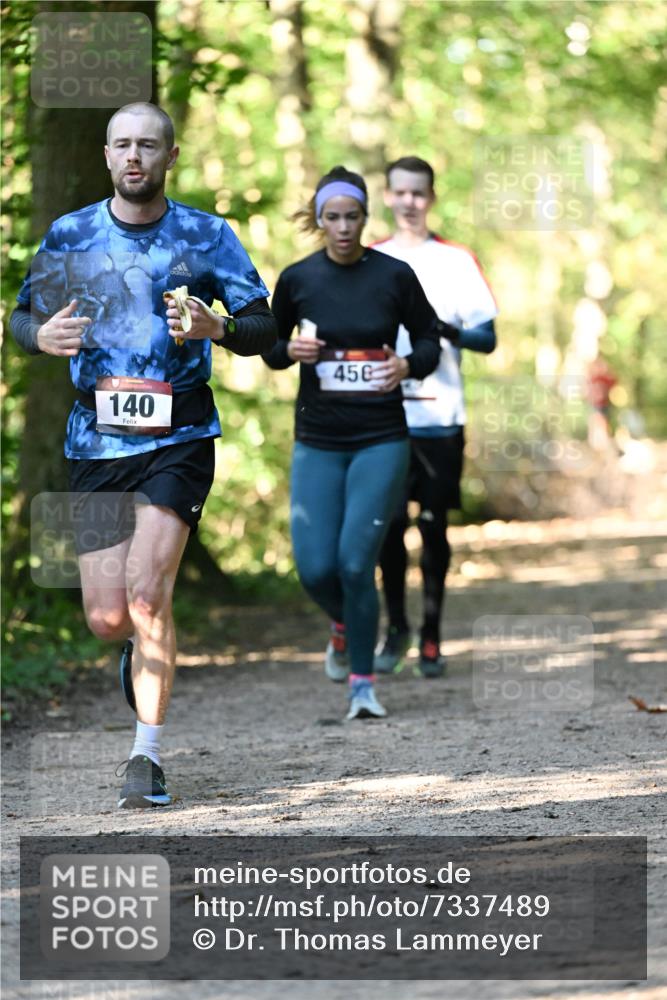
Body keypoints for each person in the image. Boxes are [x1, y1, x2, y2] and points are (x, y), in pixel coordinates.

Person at [10, 102, 276, 808]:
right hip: (95, 442)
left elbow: (265, 323)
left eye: (148, 146)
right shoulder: (70, 235)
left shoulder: (206, 235)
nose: (135, 156)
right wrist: (41, 338)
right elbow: (20, 316)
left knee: (145, 595)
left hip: (179, 438)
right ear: (105, 156)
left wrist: (217, 326)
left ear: (170, 156)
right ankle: (134, 649)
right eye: (123, 145)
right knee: (105, 616)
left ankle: (146, 756)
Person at [262, 166, 440, 720]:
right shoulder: (297, 279)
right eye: (332, 217)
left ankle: (362, 684)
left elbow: (431, 339)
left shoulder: (395, 275)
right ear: (319, 220)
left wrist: (407, 364)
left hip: (381, 438)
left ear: (366, 218)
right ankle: (344, 626)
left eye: (352, 216)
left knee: (355, 563)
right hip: (318, 438)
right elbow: (266, 345)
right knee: (315, 569)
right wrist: (289, 350)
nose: (343, 227)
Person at [372, 156, 498, 677]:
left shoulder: (457, 260)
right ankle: (395, 629)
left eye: (418, 193)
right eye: (400, 192)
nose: (409, 202)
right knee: (388, 527)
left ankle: (432, 636)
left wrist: (446, 331)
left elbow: (487, 339)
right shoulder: (368, 256)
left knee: (433, 525)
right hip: (379, 415)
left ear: (432, 197)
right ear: (386, 196)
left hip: (441, 415)